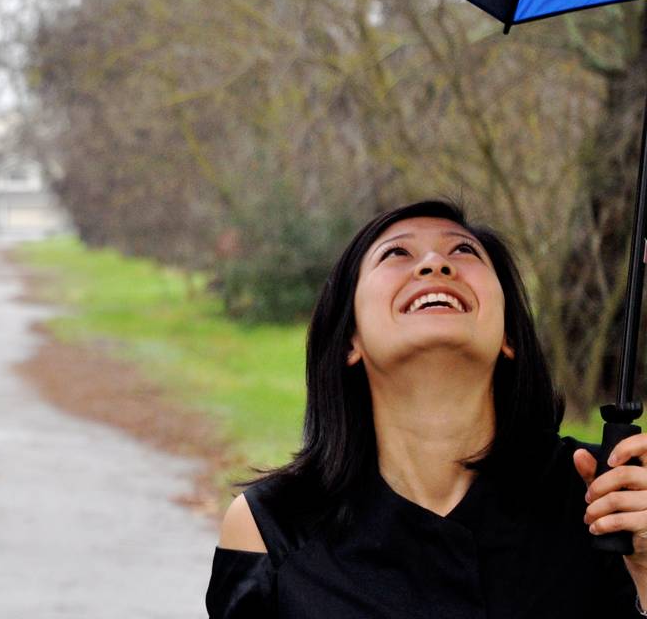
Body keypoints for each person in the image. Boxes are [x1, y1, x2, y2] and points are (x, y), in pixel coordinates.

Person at [206, 199, 647, 617]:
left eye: (463, 251)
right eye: (396, 253)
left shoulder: (610, 501)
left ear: (508, 335)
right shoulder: (272, 529)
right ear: (350, 341)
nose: (435, 264)